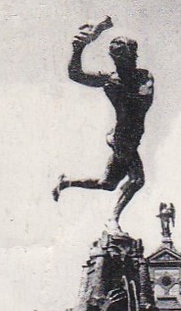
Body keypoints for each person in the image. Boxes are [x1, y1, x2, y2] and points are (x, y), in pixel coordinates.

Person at [53, 19, 156, 231]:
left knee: (107, 184)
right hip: (124, 139)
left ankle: (66, 182)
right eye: (124, 59)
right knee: (137, 181)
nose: (128, 63)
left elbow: (144, 97)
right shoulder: (114, 79)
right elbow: (75, 74)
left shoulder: (140, 77)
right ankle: (113, 221)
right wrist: (78, 50)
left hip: (126, 137)